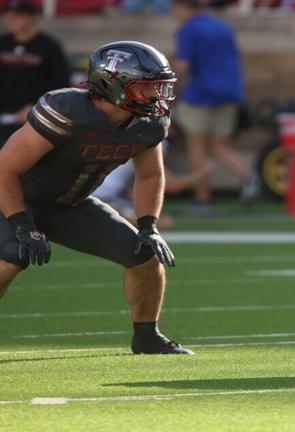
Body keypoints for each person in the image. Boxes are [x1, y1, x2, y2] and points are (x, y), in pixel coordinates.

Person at [0, 41, 188, 355]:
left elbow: (150, 175)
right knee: (12, 255)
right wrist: (22, 224)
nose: (157, 96)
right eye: (147, 87)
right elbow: (5, 168)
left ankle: (147, 337)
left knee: (143, 254)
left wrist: (148, 225)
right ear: (113, 85)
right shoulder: (67, 111)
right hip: (15, 198)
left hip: (70, 204)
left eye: (159, 87)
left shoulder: (147, 123)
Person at [169, 0, 255, 212]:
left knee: (196, 145)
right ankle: (247, 176)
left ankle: (202, 198)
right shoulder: (222, 26)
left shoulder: (189, 29)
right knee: (219, 145)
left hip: (201, 93)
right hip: (229, 91)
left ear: (183, 7)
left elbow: (183, 65)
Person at [0, 1, 70, 149]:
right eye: (9, 15)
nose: (10, 19)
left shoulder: (49, 46)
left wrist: (36, 108)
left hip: (32, 120)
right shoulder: (3, 43)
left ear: (32, 18)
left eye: (17, 16)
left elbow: (60, 83)